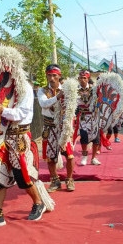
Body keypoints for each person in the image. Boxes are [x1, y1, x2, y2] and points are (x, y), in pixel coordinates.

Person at [0, 79, 47, 230]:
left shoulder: (25, 87)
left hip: (19, 137)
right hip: (2, 137)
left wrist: (3, 111)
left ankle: (38, 202)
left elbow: (23, 113)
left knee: (21, 175)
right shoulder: (2, 88)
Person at [38, 64, 76, 193]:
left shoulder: (67, 89)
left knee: (69, 155)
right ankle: (55, 180)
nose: (52, 78)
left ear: (59, 76)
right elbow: (43, 103)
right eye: (49, 75)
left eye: (54, 75)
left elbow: (72, 107)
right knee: (50, 156)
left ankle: (70, 179)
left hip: (63, 127)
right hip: (49, 126)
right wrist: (58, 97)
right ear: (46, 76)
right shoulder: (42, 91)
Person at [77, 69, 101, 165]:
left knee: (96, 138)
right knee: (84, 137)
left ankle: (94, 158)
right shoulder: (75, 90)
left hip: (93, 116)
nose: (82, 80)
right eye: (81, 78)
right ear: (78, 79)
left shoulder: (94, 89)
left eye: (84, 78)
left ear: (88, 79)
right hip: (83, 116)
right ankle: (84, 157)